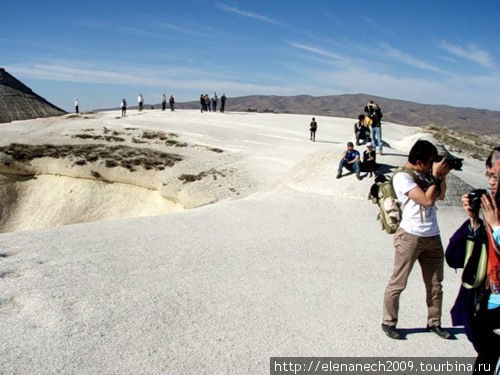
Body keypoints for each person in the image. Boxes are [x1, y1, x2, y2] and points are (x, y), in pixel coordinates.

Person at [381, 139, 451, 340]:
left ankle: (434, 322)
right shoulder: (403, 176)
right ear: (420, 161)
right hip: (410, 236)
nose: (432, 165)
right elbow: (427, 200)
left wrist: (441, 177)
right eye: (430, 161)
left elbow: (441, 196)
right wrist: (435, 176)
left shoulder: (427, 174)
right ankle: (389, 321)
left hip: (432, 235)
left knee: (436, 284)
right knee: (398, 282)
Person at [446, 147, 500, 374]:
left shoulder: (495, 217)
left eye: (496, 177)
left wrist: (497, 228)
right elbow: (454, 257)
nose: (492, 183)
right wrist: (474, 223)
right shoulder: (491, 210)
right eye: (489, 175)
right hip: (484, 307)